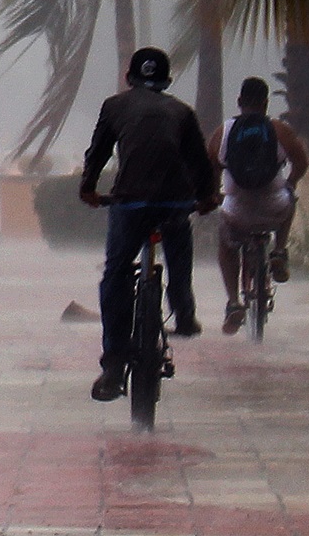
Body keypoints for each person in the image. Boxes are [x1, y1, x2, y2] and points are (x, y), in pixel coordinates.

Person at [79, 46, 217, 402]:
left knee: (116, 272)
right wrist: (205, 198)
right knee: (178, 249)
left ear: (129, 79)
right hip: (174, 202)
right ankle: (184, 313)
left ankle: (113, 364)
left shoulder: (114, 107)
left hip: (131, 202)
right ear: (167, 81)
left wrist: (89, 188)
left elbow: (98, 152)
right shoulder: (182, 112)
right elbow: (200, 163)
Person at [212, 76, 309, 335]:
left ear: (240, 101)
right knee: (291, 198)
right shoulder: (279, 130)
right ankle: (278, 251)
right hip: (274, 208)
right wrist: (289, 182)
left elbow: (209, 168)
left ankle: (233, 303)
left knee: (226, 246)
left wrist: (215, 195)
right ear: (266, 103)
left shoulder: (225, 131)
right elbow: (302, 163)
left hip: (237, 213)